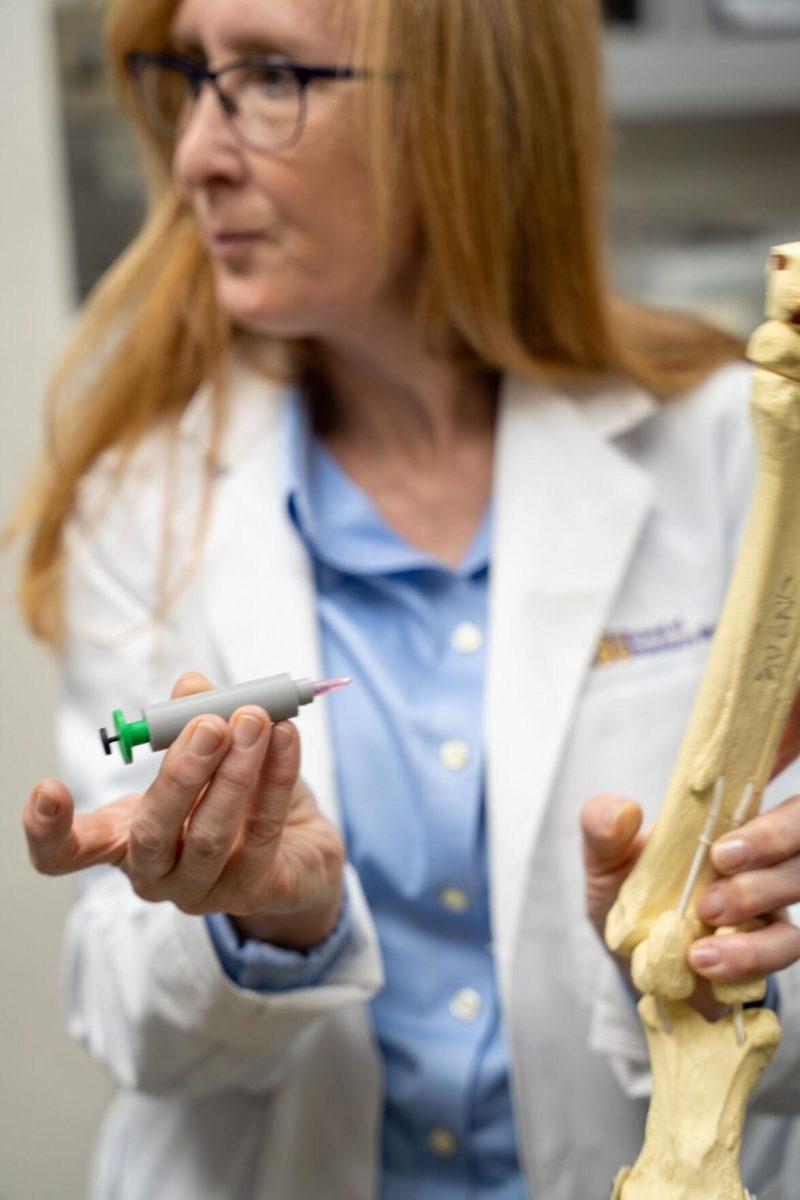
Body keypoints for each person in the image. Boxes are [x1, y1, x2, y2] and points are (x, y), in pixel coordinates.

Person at [15, 0, 800, 1196]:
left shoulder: (730, 459)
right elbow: (127, 1020)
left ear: (461, 107)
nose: (194, 158)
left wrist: (699, 945)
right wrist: (272, 928)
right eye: (195, 77)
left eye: (271, 76)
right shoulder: (149, 504)